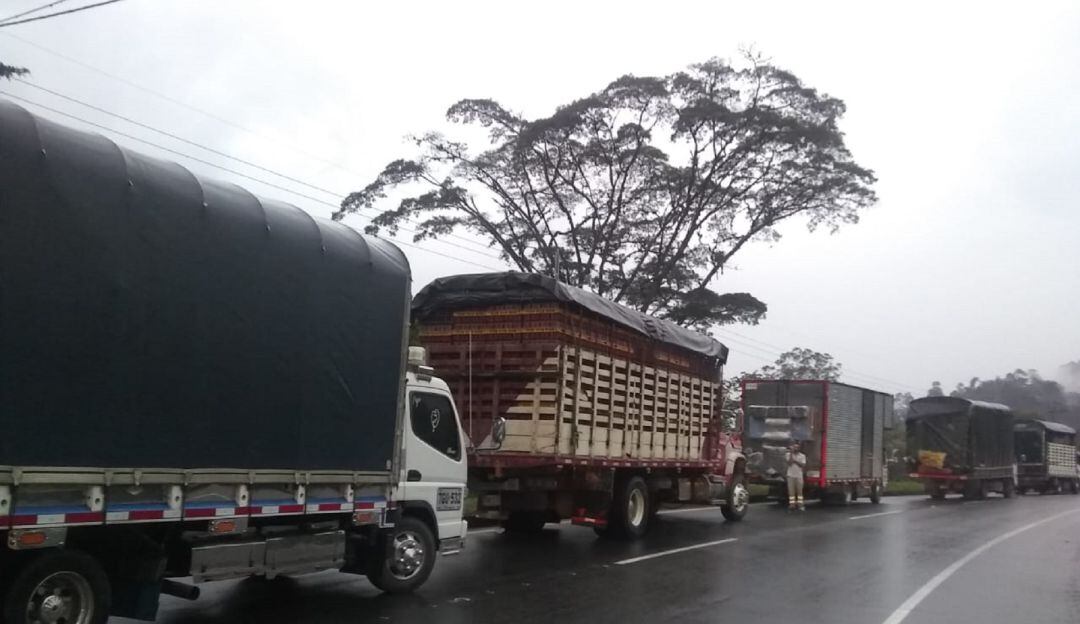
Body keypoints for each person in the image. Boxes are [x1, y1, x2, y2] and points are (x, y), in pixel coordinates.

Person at [786, 442, 807, 511]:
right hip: (790, 476)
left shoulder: (802, 456)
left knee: (799, 491)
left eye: (797, 447)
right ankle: (792, 505)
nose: (795, 448)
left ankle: (800, 505)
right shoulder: (788, 454)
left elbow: (802, 465)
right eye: (794, 447)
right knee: (791, 492)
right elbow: (789, 463)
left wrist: (795, 461)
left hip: (799, 476)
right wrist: (791, 454)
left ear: (799, 448)